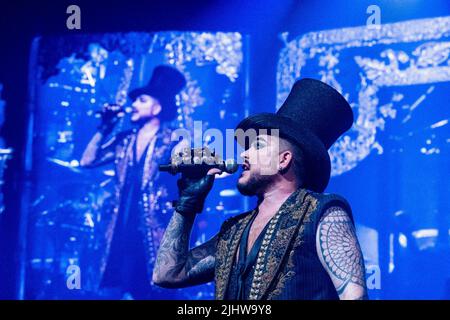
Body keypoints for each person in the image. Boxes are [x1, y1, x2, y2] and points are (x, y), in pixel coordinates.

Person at [153, 78, 368, 300]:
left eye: (258, 146)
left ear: (283, 160)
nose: (244, 154)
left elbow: (355, 297)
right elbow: (167, 274)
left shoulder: (323, 212)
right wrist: (187, 204)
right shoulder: (234, 232)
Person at [80, 65, 186, 299]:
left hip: (156, 232)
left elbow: (189, 187)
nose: (133, 105)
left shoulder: (174, 141)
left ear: (157, 107)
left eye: (141, 100)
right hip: (121, 229)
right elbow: (87, 161)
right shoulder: (123, 140)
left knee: (156, 292)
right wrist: (104, 128)